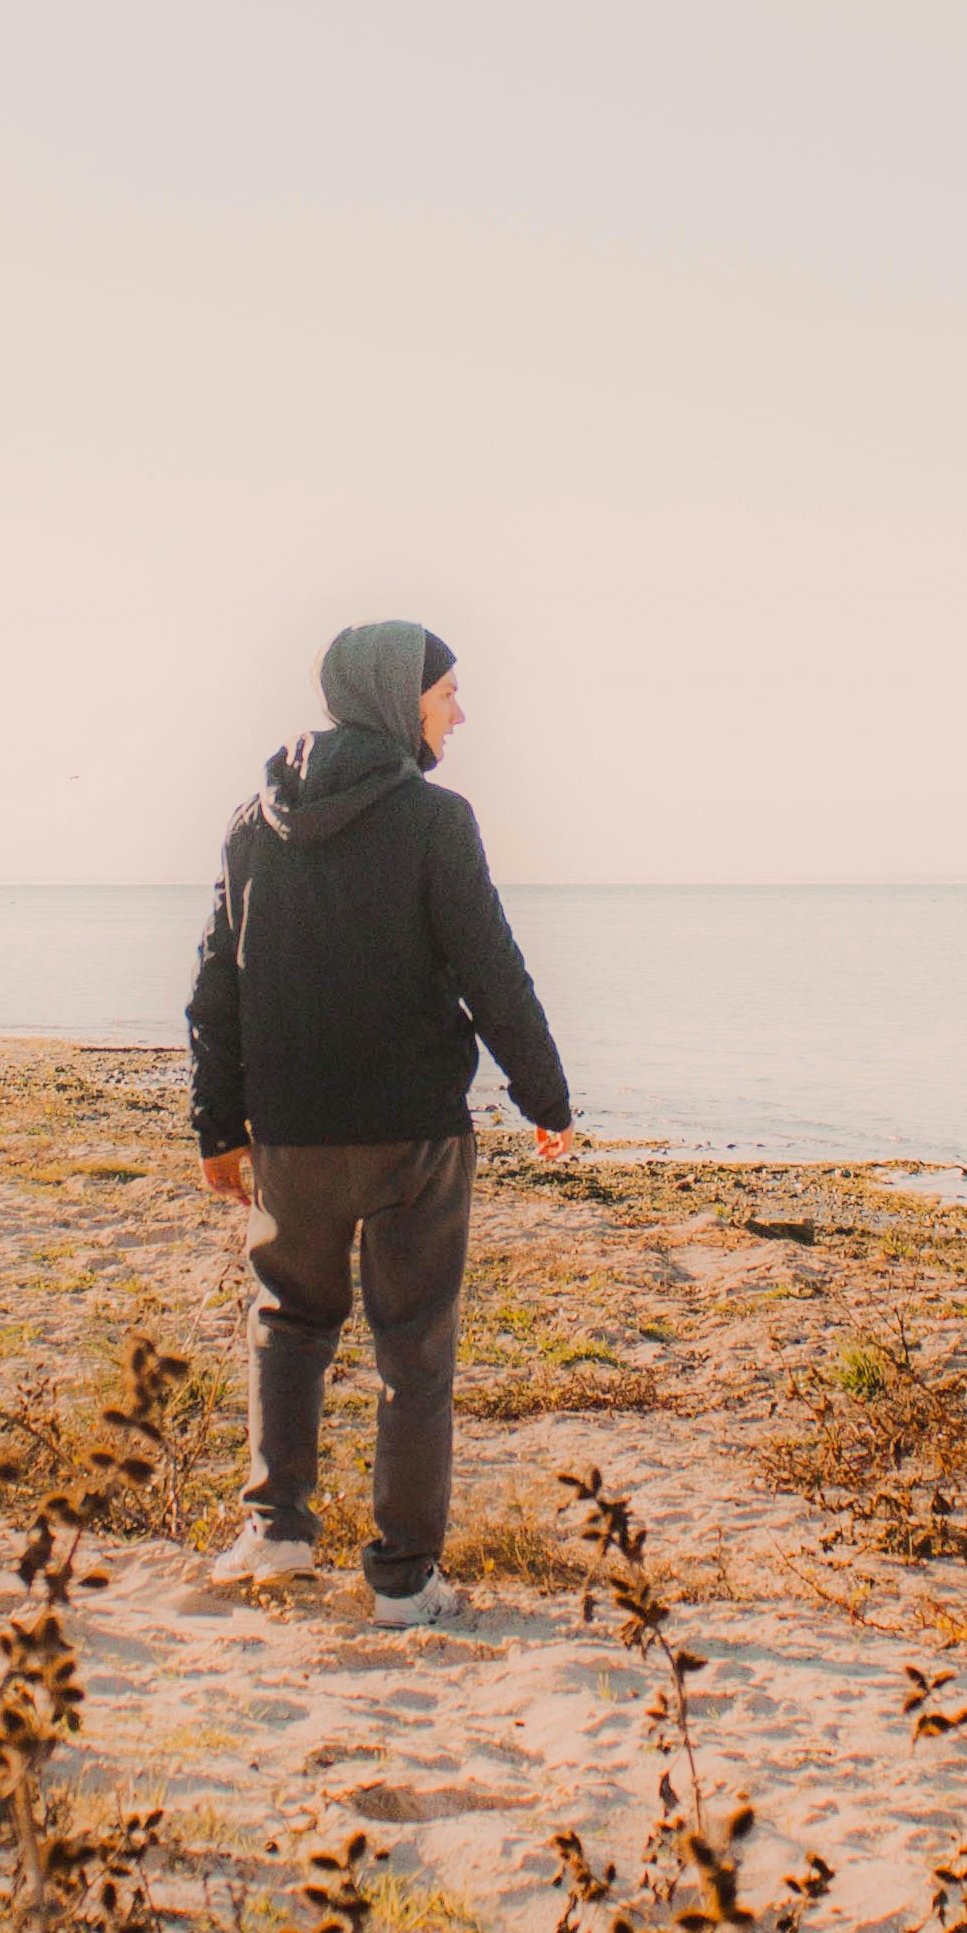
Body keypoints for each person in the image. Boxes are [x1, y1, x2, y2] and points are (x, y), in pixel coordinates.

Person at [183, 619, 577, 1627]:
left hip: (294, 1136)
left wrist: (217, 1126)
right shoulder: (436, 821)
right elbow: (494, 974)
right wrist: (547, 1099)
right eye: (447, 694)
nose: (459, 714)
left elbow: (213, 994)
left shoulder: (248, 823)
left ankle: (276, 1534)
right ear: (398, 698)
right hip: (412, 1141)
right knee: (414, 1353)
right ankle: (403, 1581)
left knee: (290, 1324)